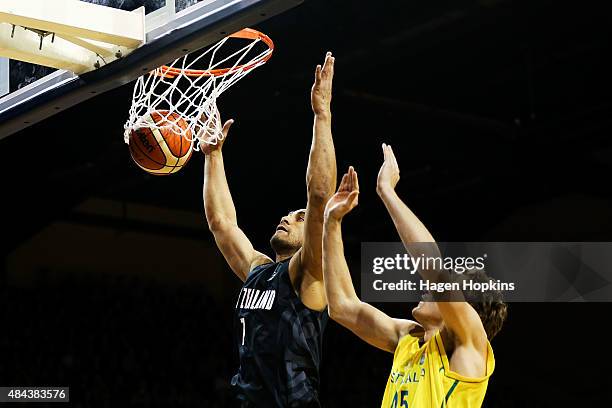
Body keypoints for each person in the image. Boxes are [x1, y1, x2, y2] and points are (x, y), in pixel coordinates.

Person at [322, 145, 507, 407]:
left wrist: (387, 192)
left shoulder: (470, 343)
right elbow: (342, 306)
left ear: (466, 308)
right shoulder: (407, 339)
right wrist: (332, 222)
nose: (429, 288)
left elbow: (435, 271)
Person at [201, 52, 337, 407]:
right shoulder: (258, 270)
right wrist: (213, 156)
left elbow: (320, 197)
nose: (288, 217)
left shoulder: (310, 276)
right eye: (289, 213)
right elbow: (221, 223)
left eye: (299, 216)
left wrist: (322, 115)